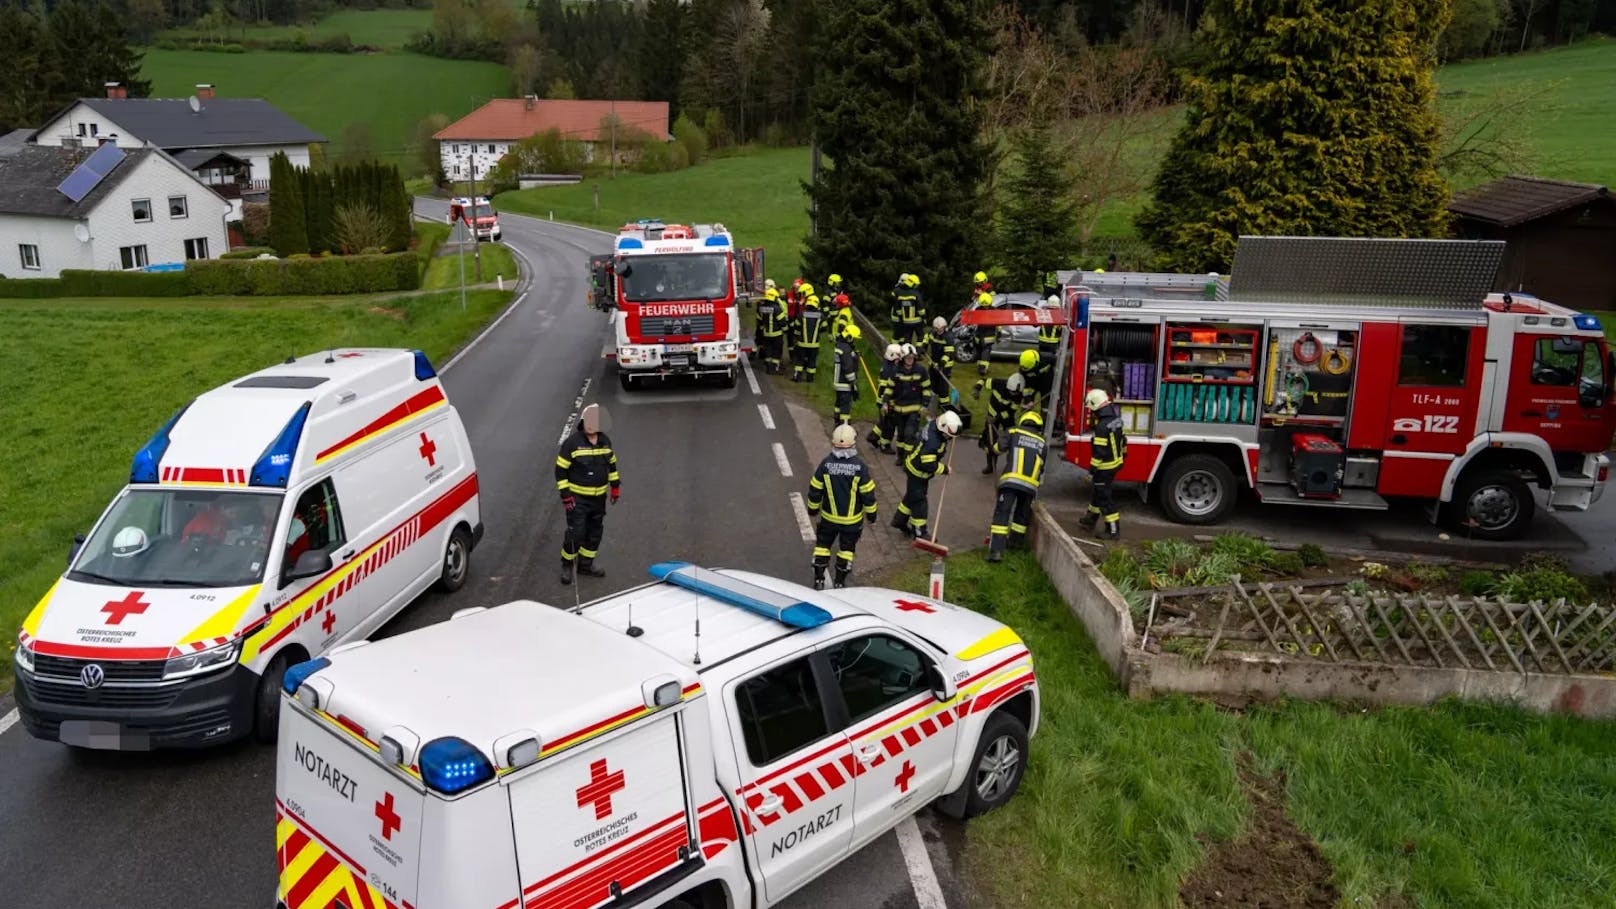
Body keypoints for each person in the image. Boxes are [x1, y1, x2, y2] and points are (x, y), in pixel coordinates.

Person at [806, 423, 878, 589]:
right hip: (851, 522)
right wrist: (872, 515)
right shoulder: (860, 467)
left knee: (822, 547)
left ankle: (818, 580)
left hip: (829, 519)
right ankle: (839, 582)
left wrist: (813, 508)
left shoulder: (825, 464)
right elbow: (868, 494)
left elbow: (815, 489)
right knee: (846, 550)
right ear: (853, 443)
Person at [555, 403, 620, 584]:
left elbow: (612, 465)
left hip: (598, 499)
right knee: (577, 533)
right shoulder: (572, 444)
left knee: (594, 533)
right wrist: (566, 496)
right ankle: (567, 564)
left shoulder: (605, 441)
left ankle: (585, 565)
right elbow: (560, 471)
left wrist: (615, 486)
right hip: (577, 500)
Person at [987, 410, 1047, 562]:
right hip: (1030, 486)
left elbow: (998, 449)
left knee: (1002, 514)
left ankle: (996, 552)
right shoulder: (1042, 442)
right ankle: (1015, 546)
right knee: (1021, 516)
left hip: (1011, 482)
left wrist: (990, 445)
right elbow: (1042, 467)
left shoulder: (1014, 431)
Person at [893, 411, 959, 540]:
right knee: (920, 502)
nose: (949, 438)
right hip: (918, 472)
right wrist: (945, 469)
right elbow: (928, 464)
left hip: (914, 467)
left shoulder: (936, 425)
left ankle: (899, 521)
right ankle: (920, 533)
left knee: (912, 496)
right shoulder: (933, 442)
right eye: (948, 435)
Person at [1079, 388, 1127, 540]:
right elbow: (1123, 441)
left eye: (1091, 409)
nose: (1091, 412)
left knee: (1104, 498)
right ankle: (1090, 518)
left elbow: (1098, 454)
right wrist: (1122, 457)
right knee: (1098, 493)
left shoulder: (1101, 428)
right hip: (1114, 464)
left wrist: (1090, 472)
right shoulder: (1116, 419)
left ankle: (1113, 531)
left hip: (1104, 468)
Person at [972, 370, 1030, 475]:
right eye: (1012, 391)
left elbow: (1011, 411)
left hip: (1006, 417)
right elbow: (983, 380)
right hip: (991, 416)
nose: (1013, 394)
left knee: (1012, 439)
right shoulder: (998, 383)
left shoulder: (1018, 395)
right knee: (990, 440)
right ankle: (991, 465)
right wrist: (977, 388)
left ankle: (1013, 465)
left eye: (1015, 393)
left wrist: (997, 418)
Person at [886, 343, 931, 465]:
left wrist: (924, 405)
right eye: (907, 358)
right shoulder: (896, 371)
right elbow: (890, 388)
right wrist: (886, 402)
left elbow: (927, 388)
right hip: (899, 410)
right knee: (900, 435)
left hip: (914, 410)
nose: (909, 360)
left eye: (911, 358)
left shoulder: (921, 371)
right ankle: (900, 457)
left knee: (909, 434)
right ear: (902, 358)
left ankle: (908, 460)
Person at [866, 343, 904, 453]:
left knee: (884, 421)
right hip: (887, 402)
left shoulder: (887, 366)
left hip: (882, 401)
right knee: (889, 425)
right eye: (898, 357)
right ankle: (885, 445)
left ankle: (873, 436)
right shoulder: (891, 370)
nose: (900, 360)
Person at [831, 323, 862, 424]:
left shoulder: (841, 345)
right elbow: (848, 367)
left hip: (838, 382)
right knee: (845, 406)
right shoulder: (846, 349)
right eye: (854, 339)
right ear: (849, 338)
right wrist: (853, 383)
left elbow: (847, 358)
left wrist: (855, 356)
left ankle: (837, 420)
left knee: (839, 403)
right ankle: (844, 425)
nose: (855, 341)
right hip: (845, 383)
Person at [791, 293, 825, 382]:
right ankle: (810, 379)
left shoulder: (801, 315)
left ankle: (797, 377)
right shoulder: (821, 316)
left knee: (800, 360)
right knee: (812, 361)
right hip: (814, 345)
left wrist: (796, 337)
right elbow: (824, 327)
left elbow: (797, 327)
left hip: (802, 343)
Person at [756, 287, 789, 375]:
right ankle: (775, 368)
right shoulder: (777, 308)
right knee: (777, 352)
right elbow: (782, 322)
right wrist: (786, 331)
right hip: (777, 335)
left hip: (766, 334)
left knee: (768, 352)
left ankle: (768, 367)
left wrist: (763, 328)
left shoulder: (761, 307)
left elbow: (759, 320)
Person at [923, 316, 955, 407]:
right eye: (936, 329)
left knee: (943, 386)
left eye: (940, 329)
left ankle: (944, 404)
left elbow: (948, 353)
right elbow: (926, 337)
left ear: (945, 327)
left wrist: (941, 364)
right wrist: (924, 346)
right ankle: (933, 401)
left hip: (945, 365)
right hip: (933, 363)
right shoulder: (932, 333)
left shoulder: (948, 337)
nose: (938, 330)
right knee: (932, 384)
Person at [890, 273, 924, 344]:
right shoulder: (899, 291)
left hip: (901, 316)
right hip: (898, 316)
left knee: (903, 334)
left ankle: (901, 347)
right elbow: (896, 304)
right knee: (898, 333)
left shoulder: (897, 290)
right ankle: (895, 348)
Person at [1019, 347, 1054, 414]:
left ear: (1036, 363)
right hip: (1031, 384)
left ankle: (1045, 420)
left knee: (1046, 408)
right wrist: (1027, 398)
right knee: (1026, 406)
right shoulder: (1024, 364)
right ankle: (1026, 420)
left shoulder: (1049, 359)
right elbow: (1024, 383)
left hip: (1047, 384)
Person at [971, 290, 998, 375]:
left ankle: (983, 369)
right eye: (984, 306)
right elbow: (973, 321)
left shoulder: (994, 311)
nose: (985, 307)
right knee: (979, 352)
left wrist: (999, 331)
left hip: (988, 335)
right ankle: (980, 367)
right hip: (979, 335)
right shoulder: (978, 309)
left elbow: (999, 321)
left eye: (986, 306)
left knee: (986, 351)